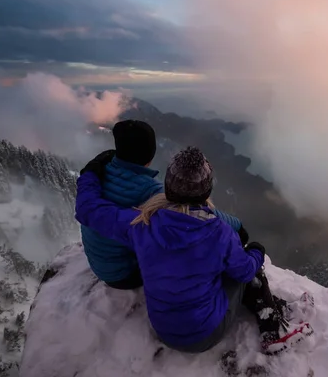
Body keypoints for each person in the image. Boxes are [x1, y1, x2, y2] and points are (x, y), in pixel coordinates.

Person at [75, 147, 312, 354]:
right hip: (203, 335)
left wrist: (90, 172)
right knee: (249, 268)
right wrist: (257, 251)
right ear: (206, 191)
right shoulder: (218, 234)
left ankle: (275, 309)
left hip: (163, 328)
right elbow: (245, 272)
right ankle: (273, 332)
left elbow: (88, 210)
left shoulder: (141, 225)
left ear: (168, 187)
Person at [80, 120, 248, 290]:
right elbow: (197, 212)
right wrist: (238, 227)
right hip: (127, 274)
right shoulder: (151, 191)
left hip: (100, 266)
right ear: (150, 156)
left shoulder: (97, 175)